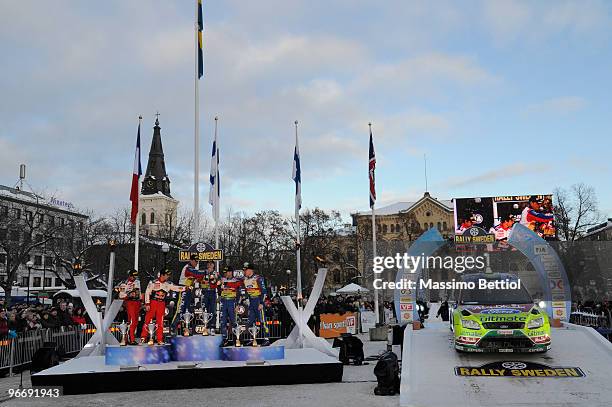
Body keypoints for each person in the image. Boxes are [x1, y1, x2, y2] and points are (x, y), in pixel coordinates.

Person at [140, 270, 183, 345]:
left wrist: (186, 288)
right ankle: (143, 337)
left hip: (162, 304)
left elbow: (176, 288)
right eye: (167, 275)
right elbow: (147, 292)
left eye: (168, 275)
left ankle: (159, 339)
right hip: (153, 302)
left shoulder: (168, 284)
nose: (168, 276)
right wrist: (147, 304)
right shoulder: (153, 282)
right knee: (148, 320)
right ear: (162, 275)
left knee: (160, 322)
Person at [173, 254, 208, 334]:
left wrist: (203, 279)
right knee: (180, 310)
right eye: (195, 261)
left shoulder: (192, 268)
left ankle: (186, 329)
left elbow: (198, 278)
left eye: (198, 261)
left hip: (189, 291)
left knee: (187, 310)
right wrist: (205, 272)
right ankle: (173, 327)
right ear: (191, 260)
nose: (197, 263)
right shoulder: (188, 268)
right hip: (183, 290)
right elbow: (197, 274)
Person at [242, 262, 269, 345]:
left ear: (250, 270)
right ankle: (252, 339)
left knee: (262, 320)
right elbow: (246, 291)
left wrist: (261, 303)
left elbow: (264, 292)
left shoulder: (258, 278)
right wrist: (246, 299)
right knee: (250, 321)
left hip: (258, 301)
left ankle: (266, 338)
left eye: (245, 270)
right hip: (251, 302)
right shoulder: (245, 279)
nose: (244, 272)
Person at [115, 269, 142, 344]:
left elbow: (139, 292)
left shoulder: (137, 282)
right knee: (132, 321)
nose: (135, 278)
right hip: (130, 303)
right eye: (133, 276)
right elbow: (121, 295)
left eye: (136, 276)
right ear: (130, 276)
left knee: (136, 321)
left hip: (137, 303)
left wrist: (141, 301)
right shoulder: (124, 283)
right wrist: (128, 295)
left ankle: (127, 338)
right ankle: (131, 339)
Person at [218, 266, 242, 346]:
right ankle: (225, 339)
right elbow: (219, 291)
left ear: (231, 272)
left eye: (227, 272)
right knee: (223, 322)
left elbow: (239, 294)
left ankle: (237, 339)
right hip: (224, 302)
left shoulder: (236, 281)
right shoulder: (222, 280)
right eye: (225, 272)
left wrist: (238, 304)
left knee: (234, 322)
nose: (226, 274)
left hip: (232, 302)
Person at [200, 261, 219, 333]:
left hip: (212, 292)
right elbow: (198, 280)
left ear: (213, 265)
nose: (209, 265)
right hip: (204, 293)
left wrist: (219, 294)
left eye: (211, 264)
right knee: (205, 309)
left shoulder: (216, 273)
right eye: (208, 264)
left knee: (213, 310)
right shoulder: (203, 272)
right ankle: (205, 326)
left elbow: (219, 282)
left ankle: (212, 326)